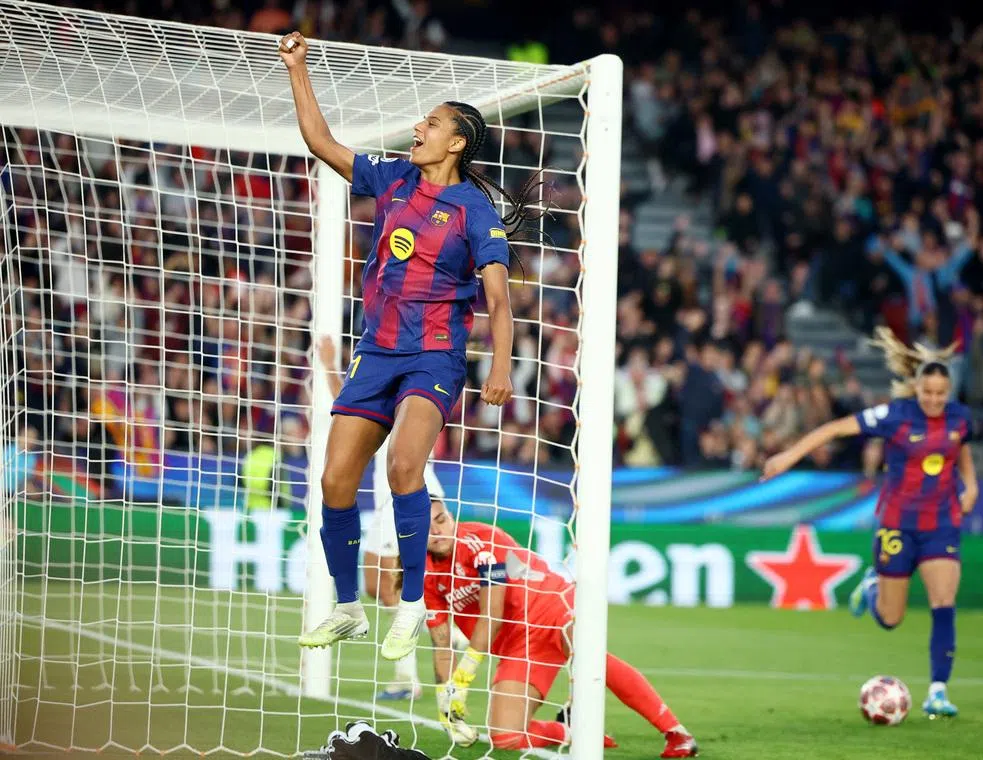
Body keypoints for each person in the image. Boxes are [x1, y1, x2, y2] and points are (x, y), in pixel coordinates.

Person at [281, 31, 527, 659]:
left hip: (435, 355)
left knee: (401, 470)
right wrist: (299, 69)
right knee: (335, 481)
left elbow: (498, 297)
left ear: (457, 141)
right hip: (376, 352)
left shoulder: (475, 211)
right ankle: (346, 608)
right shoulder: (391, 179)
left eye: (433, 122)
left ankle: (412, 606)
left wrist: (500, 365)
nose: (419, 126)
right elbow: (320, 143)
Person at [764, 327, 978, 718]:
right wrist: (787, 457)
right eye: (927, 392)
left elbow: (960, 450)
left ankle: (938, 691)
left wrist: (972, 484)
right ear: (915, 387)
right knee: (891, 619)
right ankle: (874, 584)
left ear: (949, 392)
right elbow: (833, 428)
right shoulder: (893, 416)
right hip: (897, 525)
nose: (933, 400)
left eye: (940, 394)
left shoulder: (961, 419)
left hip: (941, 523)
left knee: (943, 602)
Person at [422, 500, 698, 757]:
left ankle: (675, 731)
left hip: (550, 602)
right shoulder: (424, 575)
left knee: (585, 653)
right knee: (505, 738)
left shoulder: (481, 540)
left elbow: (491, 614)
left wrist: (464, 677)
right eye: (428, 525)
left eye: (442, 519)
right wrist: (445, 696)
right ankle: (573, 730)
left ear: (452, 517)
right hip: (519, 643)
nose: (438, 530)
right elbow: (442, 642)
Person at [313, 336, 469, 700]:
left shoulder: (408, 386)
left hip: (414, 492)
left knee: (391, 588)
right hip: (387, 498)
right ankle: (447, 637)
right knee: (376, 586)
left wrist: (329, 366)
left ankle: (408, 676)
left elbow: (356, 408)